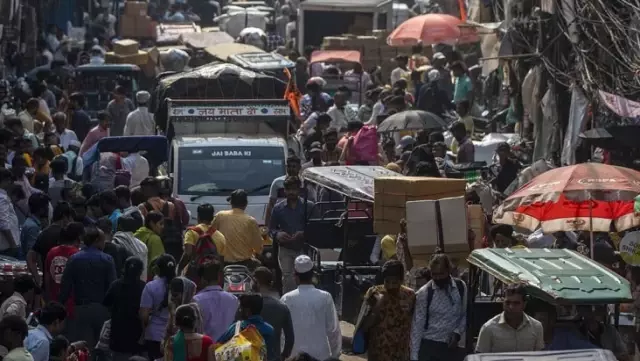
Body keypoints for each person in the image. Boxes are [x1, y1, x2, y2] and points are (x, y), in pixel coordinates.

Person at [59, 226, 115, 347]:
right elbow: (112, 287)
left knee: (83, 347)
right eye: (103, 240)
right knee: (102, 347)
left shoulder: (74, 259)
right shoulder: (107, 259)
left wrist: (61, 307)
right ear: (96, 241)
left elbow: (65, 288)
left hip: (80, 310)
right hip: (102, 310)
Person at [281, 255, 341, 360]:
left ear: (296, 276)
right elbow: (333, 330)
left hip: (293, 356)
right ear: (312, 275)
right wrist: (335, 355)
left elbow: (282, 333)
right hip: (321, 356)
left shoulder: (286, 299)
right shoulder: (325, 297)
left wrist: (283, 354)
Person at [410, 253, 467, 361]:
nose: (437, 278)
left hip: (452, 347)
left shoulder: (460, 287)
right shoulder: (425, 293)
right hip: (430, 346)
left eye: (441, 274)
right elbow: (417, 326)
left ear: (448, 271)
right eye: (434, 274)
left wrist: (457, 333)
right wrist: (414, 357)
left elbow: (464, 315)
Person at [358, 260, 415, 361]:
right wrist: (377, 306)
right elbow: (364, 326)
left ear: (401, 280)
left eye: (395, 282)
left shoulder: (409, 295)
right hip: (379, 352)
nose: (390, 286)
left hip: (401, 352)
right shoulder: (374, 293)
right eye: (387, 282)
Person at [270, 177, 315, 293]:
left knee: (305, 276)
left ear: (299, 190)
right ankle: (288, 302)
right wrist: (278, 234)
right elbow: (271, 229)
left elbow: (317, 227)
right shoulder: (278, 208)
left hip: (303, 248)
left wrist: (304, 233)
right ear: (284, 191)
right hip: (285, 249)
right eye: (288, 189)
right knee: (287, 277)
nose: (291, 192)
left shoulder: (308, 206)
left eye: (294, 189)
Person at [476, 284, 544, 353]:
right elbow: (480, 357)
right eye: (507, 303)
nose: (511, 307)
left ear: (524, 304)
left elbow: (539, 356)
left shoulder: (536, 327)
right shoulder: (488, 328)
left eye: (516, 303)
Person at [104, 257, 146, 361]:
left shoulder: (115, 285)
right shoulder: (144, 287)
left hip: (117, 335)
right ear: (140, 271)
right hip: (136, 335)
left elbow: (106, 303)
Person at [140, 254, 177, 360]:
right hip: (175, 336)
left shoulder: (150, 286)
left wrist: (144, 331)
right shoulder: (182, 285)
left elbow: (144, 316)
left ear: (158, 269)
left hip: (154, 335)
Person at [27, 202, 73, 286]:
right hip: (63, 283)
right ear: (64, 217)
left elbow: (30, 257)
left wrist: (37, 279)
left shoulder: (43, 233)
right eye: (70, 218)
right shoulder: (66, 234)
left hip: (47, 282)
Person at [254, 267, 294, 361]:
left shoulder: (246, 306)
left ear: (255, 282)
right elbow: (290, 338)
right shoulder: (282, 307)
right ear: (271, 283)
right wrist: (284, 355)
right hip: (274, 357)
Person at [218, 294, 276, 359]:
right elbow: (271, 355)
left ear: (247, 311)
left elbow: (218, 345)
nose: (239, 311)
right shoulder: (270, 330)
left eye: (240, 308)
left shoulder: (236, 328)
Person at [212, 191, 261, 267]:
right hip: (245, 263)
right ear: (246, 204)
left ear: (231, 203)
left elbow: (211, 234)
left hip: (222, 262)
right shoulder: (251, 221)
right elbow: (258, 247)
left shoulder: (220, 215)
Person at [192, 260, 238, 340]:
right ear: (219, 278)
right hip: (229, 348)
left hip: (205, 348)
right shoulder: (234, 299)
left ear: (202, 279)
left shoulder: (196, 300)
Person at [44, 222, 83, 310]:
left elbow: (47, 276)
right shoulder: (77, 254)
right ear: (78, 238)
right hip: (72, 302)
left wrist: (48, 295)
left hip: (53, 299)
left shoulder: (51, 252)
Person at [265, 156, 301, 226]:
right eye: (289, 166)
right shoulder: (277, 182)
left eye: (294, 166)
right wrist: (267, 227)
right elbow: (271, 205)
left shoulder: (304, 182)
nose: (291, 169)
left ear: (299, 167)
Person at [112, 216, 148, 281]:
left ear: (119, 226)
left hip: (123, 285)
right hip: (140, 284)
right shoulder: (142, 245)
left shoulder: (115, 243)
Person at [20, 193, 50, 260]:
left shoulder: (33, 222)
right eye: (47, 206)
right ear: (41, 210)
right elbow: (32, 253)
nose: (48, 208)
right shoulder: (33, 227)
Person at [0, 167, 19, 258]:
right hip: (6, 245)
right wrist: (13, 244)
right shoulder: (1, 198)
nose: (10, 183)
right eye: (8, 180)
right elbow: (4, 224)